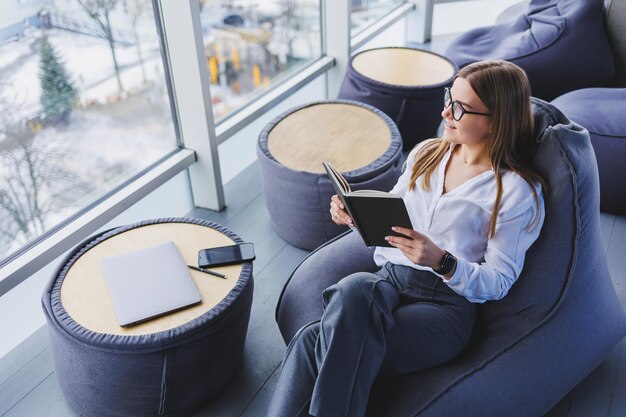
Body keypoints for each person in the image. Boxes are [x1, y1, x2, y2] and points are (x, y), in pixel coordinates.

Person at [267, 59, 547, 417]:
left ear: (496, 121)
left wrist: (442, 261)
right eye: (449, 97)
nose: (446, 110)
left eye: (460, 108)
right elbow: (394, 225)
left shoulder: (515, 191)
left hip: (444, 308)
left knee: (312, 340)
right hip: (386, 284)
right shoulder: (426, 155)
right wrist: (357, 218)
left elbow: (500, 281)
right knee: (355, 287)